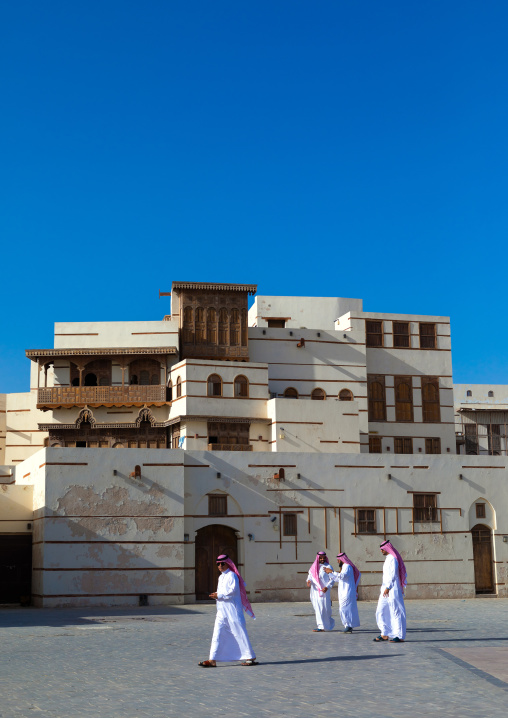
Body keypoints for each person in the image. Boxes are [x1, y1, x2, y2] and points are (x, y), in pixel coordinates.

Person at [199, 554, 258, 667]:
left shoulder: (232, 576)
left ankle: (250, 656)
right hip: (221, 611)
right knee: (217, 633)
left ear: (228, 564)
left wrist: (219, 595)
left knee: (239, 632)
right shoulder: (221, 577)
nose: (220, 566)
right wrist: (217, 596)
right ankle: (212, 659)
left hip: (233, 611)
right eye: (218, 564)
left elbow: (232, 592)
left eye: (222, 563)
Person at [374, 540, 407, 643]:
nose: (381, 551)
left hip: (392, 589)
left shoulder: (393, 559)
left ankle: (399, 635)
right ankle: (385, 633)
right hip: (385, 589)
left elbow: (392, 575)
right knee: (380, 610)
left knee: (396, 611)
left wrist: (388, 587)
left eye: (382, 549)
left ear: (386, 548)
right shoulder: (388, 559)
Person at [325, 552, 361, 633]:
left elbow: (342, 576)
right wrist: (329, 573)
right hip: (343, 592)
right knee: (343, 609)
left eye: (338, 560)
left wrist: (332, 571)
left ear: (342, 560)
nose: (337, 562)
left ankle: (349, 625)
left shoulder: (347, 566)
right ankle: (347, 625)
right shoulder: (344, 567)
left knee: (345, 609)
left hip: (347, 592)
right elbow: (339, 579)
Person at [306, 551, 335, 632]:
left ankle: (328, 624)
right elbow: (310, 577)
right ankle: (321, 626)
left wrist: (327, 587)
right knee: (318, 609)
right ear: (318, 558)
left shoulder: (328, 567)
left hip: (324, 591)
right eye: (321, 558)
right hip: (315, 592)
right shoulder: (313, 567)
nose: (322, 559)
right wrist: (308, 581)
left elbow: (332, 579)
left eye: (323, 558)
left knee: (325, 609)